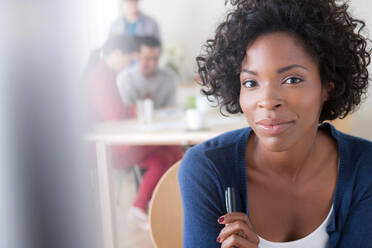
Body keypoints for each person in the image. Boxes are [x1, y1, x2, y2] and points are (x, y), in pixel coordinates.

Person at [179, 0, 372, 247]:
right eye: (250, 83)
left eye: (292, 79)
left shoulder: (364, 168)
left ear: (327, 86)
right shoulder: (208, 170)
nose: (268, 101)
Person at [85, 35, 182, 229]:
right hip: (107, 146)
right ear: (118, 53)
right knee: (173, 149)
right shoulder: (100, 76)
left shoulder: (107, 74)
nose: (130, 64)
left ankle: (140, 207)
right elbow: (115, 115)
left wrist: (133, 110)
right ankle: (170, 205)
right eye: (130, 59)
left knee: (166, 156)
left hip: (119, 140)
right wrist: (135, 109)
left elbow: (119, 114)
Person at [117, 36, 177, 108]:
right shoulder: (125, 79)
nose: (152, 64)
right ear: (137, 57)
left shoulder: (169, 78)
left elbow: (171, 110)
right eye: (147, 58)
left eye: (155, 58)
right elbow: (127, 111)